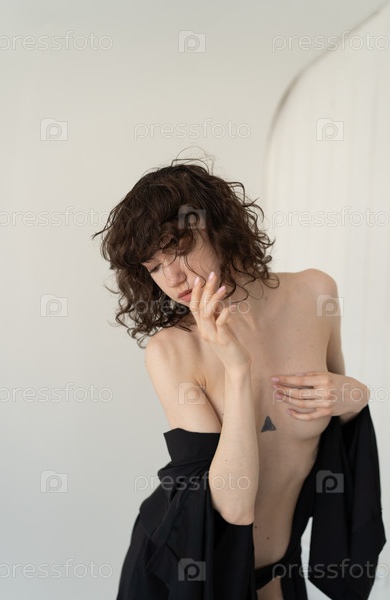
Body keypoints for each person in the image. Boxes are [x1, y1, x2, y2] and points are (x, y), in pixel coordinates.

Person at [92, 157, 386, 599]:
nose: (171, 277)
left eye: (178, 248)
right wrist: (236, 369)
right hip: (190, 574)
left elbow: (336, 421)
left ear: (220, 226)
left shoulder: (315, 294)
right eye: (153, 266)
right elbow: (232, 505)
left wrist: (357, 394)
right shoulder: (171, 351)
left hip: (280, 570)